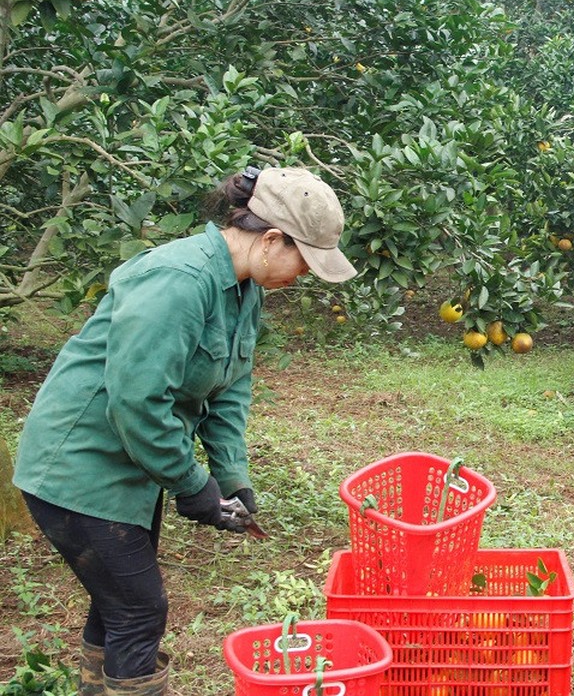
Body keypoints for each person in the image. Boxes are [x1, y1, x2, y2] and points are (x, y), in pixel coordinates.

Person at [12, 167, 356, 695]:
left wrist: (231, 475)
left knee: (120, 607)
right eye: (304, 262)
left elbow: (230, 387)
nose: (303, 276)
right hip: (80, 468)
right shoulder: (179, 279)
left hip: (130, 468)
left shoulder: (245, 288)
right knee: (139, 610)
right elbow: (137, 401)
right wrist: (192, 483)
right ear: (270, 240)